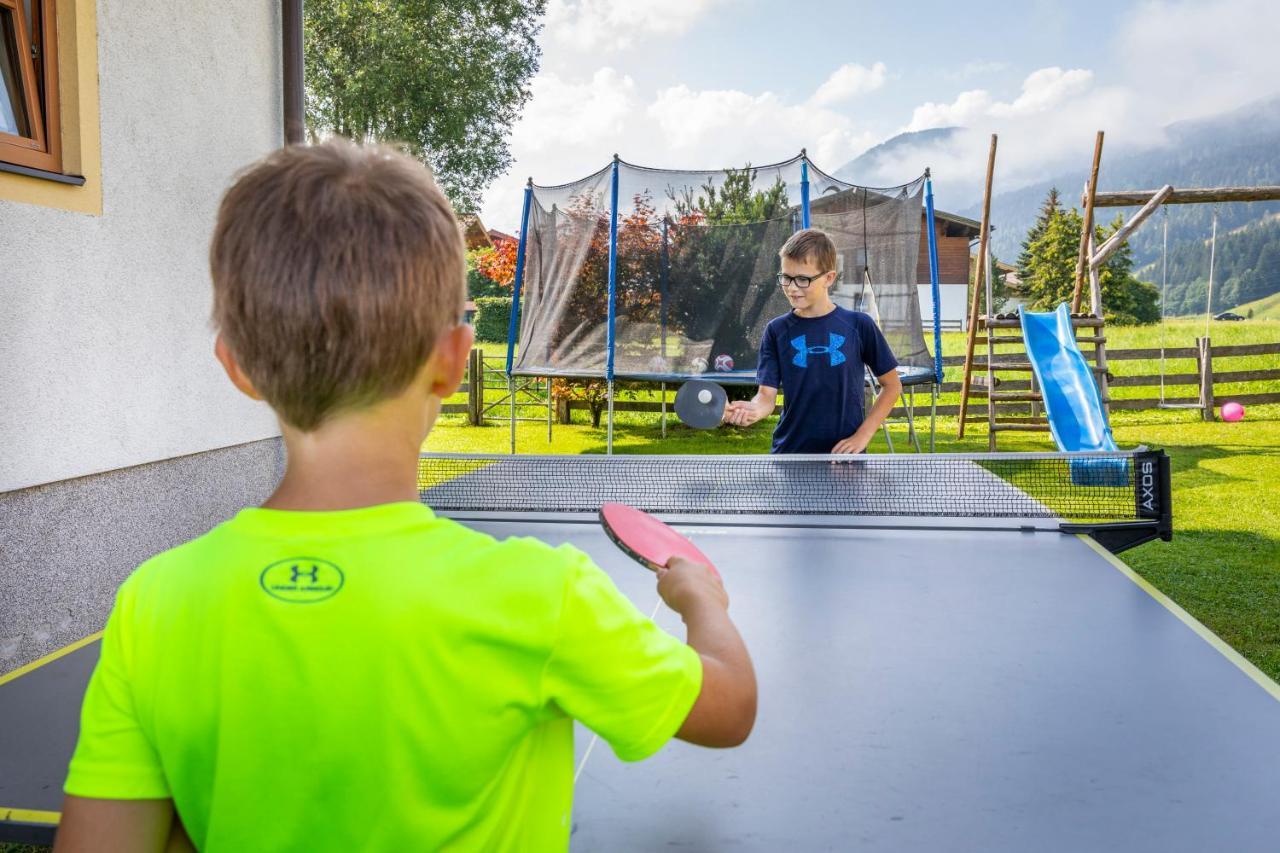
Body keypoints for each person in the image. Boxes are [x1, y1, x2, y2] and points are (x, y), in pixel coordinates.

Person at [54, 140, 756, 853]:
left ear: (237, 367)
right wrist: (702, 599)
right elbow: (728, 706)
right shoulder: (541, 596)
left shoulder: (154, 603)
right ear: (453, 360)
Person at [724, 228, 901, 453]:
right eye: (786, 278)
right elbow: (766, 397)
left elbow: (892, 386)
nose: (792, 287)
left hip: (845, 459)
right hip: (789, 455)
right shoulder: (776, 331)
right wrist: (754, 410)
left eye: (802, 279)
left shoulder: (859, 325)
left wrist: (861, 437)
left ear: (829, 278)